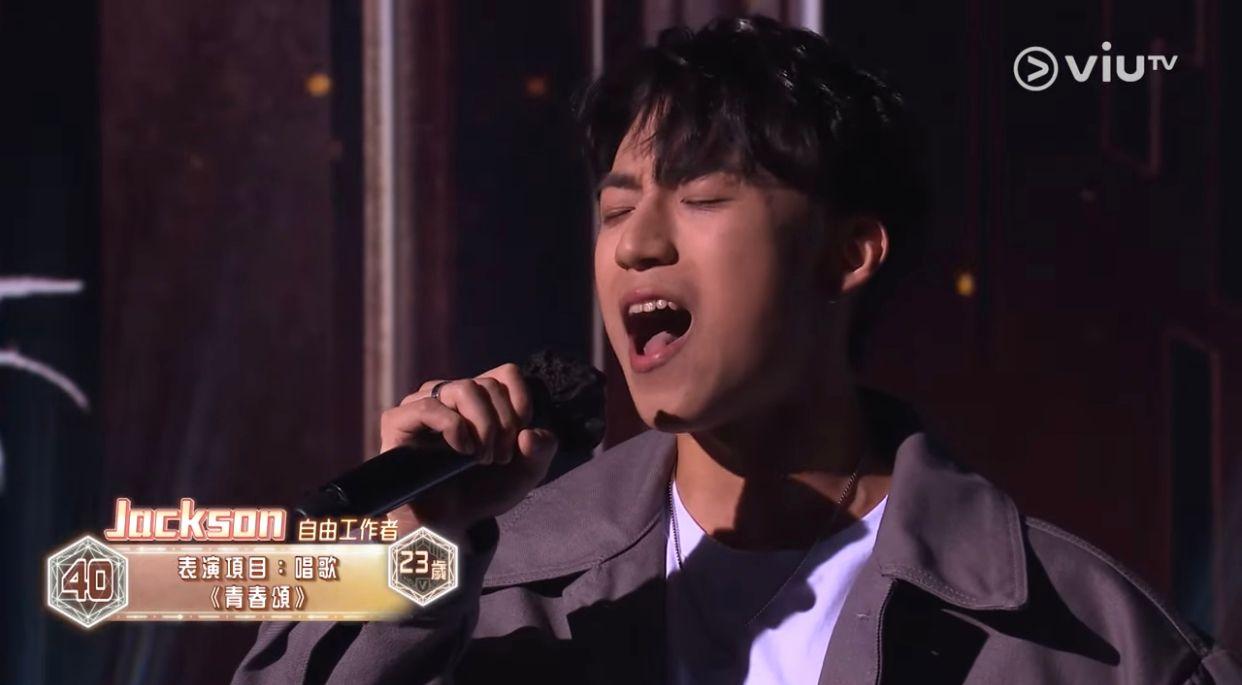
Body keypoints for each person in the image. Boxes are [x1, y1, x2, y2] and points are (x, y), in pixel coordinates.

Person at [233, 15, 1239, 684]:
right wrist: (421, 549)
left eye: (703, 196)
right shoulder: (500, 584)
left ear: (848, 253)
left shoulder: (1086, 640)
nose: (637, 244)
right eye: (615, 209)